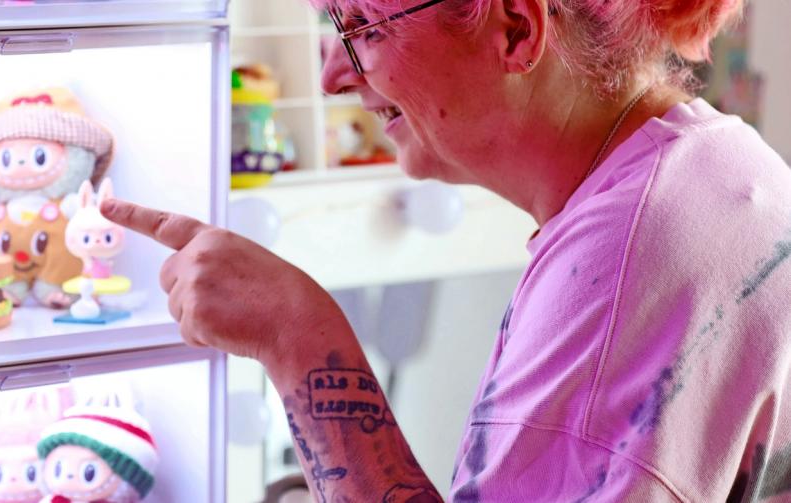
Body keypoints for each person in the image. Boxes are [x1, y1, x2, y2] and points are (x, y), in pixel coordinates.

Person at [101, 0, 791, 500]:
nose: (332, 76)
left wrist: (297, 336)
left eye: (362, 28)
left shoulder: (618, 273)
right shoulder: (728, 168)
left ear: (516, 29)